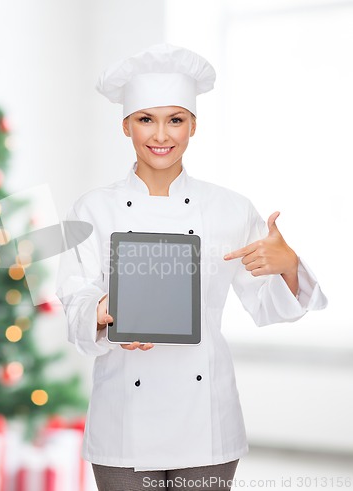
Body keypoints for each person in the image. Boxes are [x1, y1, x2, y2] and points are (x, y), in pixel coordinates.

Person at [55, 44, 327, 491]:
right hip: (124, 419)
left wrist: (289, 264)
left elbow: (266, 305)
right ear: (126, 125)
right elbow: (73, 295)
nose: (161, 134)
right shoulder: (91, 209)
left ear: (193, 126)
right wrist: (100, 310)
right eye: (146, 119)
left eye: (175, 119)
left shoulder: (230, 209)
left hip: (205, 420)